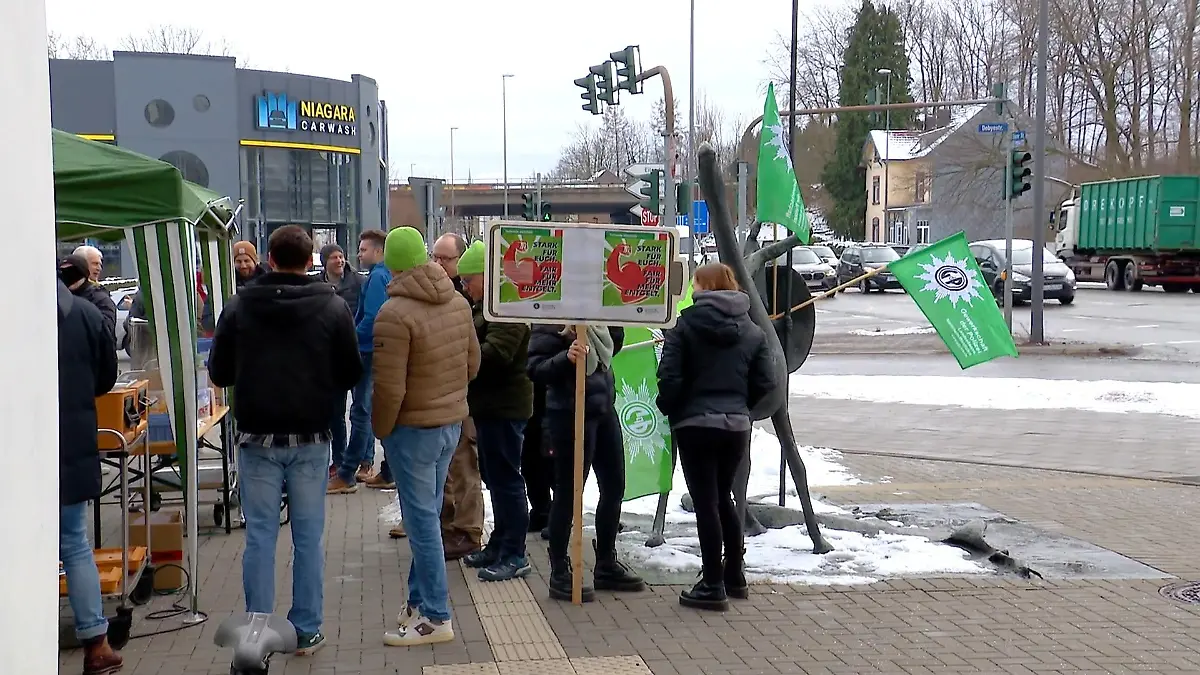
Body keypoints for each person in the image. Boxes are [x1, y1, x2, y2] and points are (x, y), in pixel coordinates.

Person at [207, 225, 363, 655]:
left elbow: (220, 372)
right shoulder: (332, 307)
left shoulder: (238, 307)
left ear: (269, 260)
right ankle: (306, 627)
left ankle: (257, 628)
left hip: (256, 436)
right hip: (312, 435)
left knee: (259, 535)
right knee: (308, 537)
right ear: (311, 260)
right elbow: (351, 372)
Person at [371, 226, 479, 646]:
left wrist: (383, 431)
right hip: (449, 426)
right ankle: (418, 601)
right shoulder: (456, 301)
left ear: (393, 265)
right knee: (429, 518)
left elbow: (389, 388)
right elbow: (473, 363)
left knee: (421, 525)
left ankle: (436, 616)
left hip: (411, 431)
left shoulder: (393, 314)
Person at [656, 263, 777, 611]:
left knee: (706, 501)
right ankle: (734, 574)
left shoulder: (685, 325)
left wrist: (671, 407)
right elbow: (767, 382)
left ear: (703, 286)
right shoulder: (753, 330)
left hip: (695, 425)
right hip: (736, 427)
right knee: (723, 496)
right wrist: (741, 407)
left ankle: (711, 583)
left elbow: (670, 376)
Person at [527, 324, 645, 603]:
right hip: (569, 411)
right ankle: (560, 569)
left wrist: (613, 320)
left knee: (614, 486)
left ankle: (606, 562)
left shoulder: (599, 316)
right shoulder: (553, 317)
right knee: (569, 491)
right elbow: (534, 368)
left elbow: (612, 347)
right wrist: (564, 358)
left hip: (603, 407)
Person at [455, 241, 534, 580]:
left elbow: (495, 355)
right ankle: (500, 542)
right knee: (495, 477)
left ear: (487, 278)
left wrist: (459, 355)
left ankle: (515, 552)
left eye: (468, 280)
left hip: (505, 406)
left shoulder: (508, 308)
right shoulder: (485, 307)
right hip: (489, 406)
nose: (464, 286)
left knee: (507, 480)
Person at [56, 278, 121, 675]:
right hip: (71, 442)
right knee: (75, 545)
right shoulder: (85, 314)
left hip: (15, 448)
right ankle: (96, 643)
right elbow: (105, 379)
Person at [428, 233, 485, 558]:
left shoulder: (469, 299)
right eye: (434, 257)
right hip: (448, 394)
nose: (438, 264)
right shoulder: (447, 294)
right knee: (449, 466)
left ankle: (467, 530)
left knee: (465, 465)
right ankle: (450, 525)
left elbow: (476, 353)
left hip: (467, 396)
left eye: (445, 259)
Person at [328, 230, 392, 493]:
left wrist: (350, 339)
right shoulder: (385, 274)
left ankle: (347, 473)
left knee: (360, 412)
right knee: (372, 410)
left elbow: (372, 317)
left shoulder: (376, 277)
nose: (358, 254)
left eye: (364, 249)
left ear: (378, 251)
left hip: (367, 350)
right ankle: (386, 471)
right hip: (375, 350)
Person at [319, 242, 364, 479]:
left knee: (361, 409)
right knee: (336, 413)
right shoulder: (317, 285)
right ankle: (339, 459)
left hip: (354, 353)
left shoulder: (358, 282)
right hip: (329, 359)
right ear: (325, 262)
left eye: (342, 256)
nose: (339, 261)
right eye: (334, 257)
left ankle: (364, 461)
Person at [59, 254, 117, 343]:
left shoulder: (100, 299)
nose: (99, 268)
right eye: (95, 264)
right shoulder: (58, 297)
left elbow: (105, 332)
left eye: (72, 272)